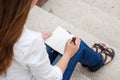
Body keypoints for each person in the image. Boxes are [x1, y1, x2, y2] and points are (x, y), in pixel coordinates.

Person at [0, 0, 115, 80]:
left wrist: (36, 39)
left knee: (62, 40)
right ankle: (97, 61)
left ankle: (91, 58)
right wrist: (68, 54)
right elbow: (52, 78)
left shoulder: (23, 38)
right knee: (75, 44)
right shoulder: (30, 41)